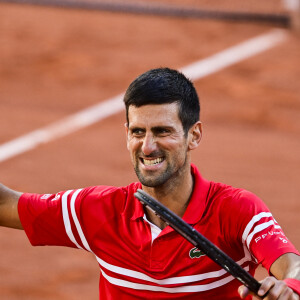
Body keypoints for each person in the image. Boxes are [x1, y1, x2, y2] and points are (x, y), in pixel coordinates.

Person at [0, 67, 299, 300]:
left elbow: (292, 265)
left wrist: (287, 287)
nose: (147, 146)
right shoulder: (98, 211)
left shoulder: (236, 210)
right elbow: (6, 205)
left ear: (193, 135)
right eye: (138, 132)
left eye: (162, 131)